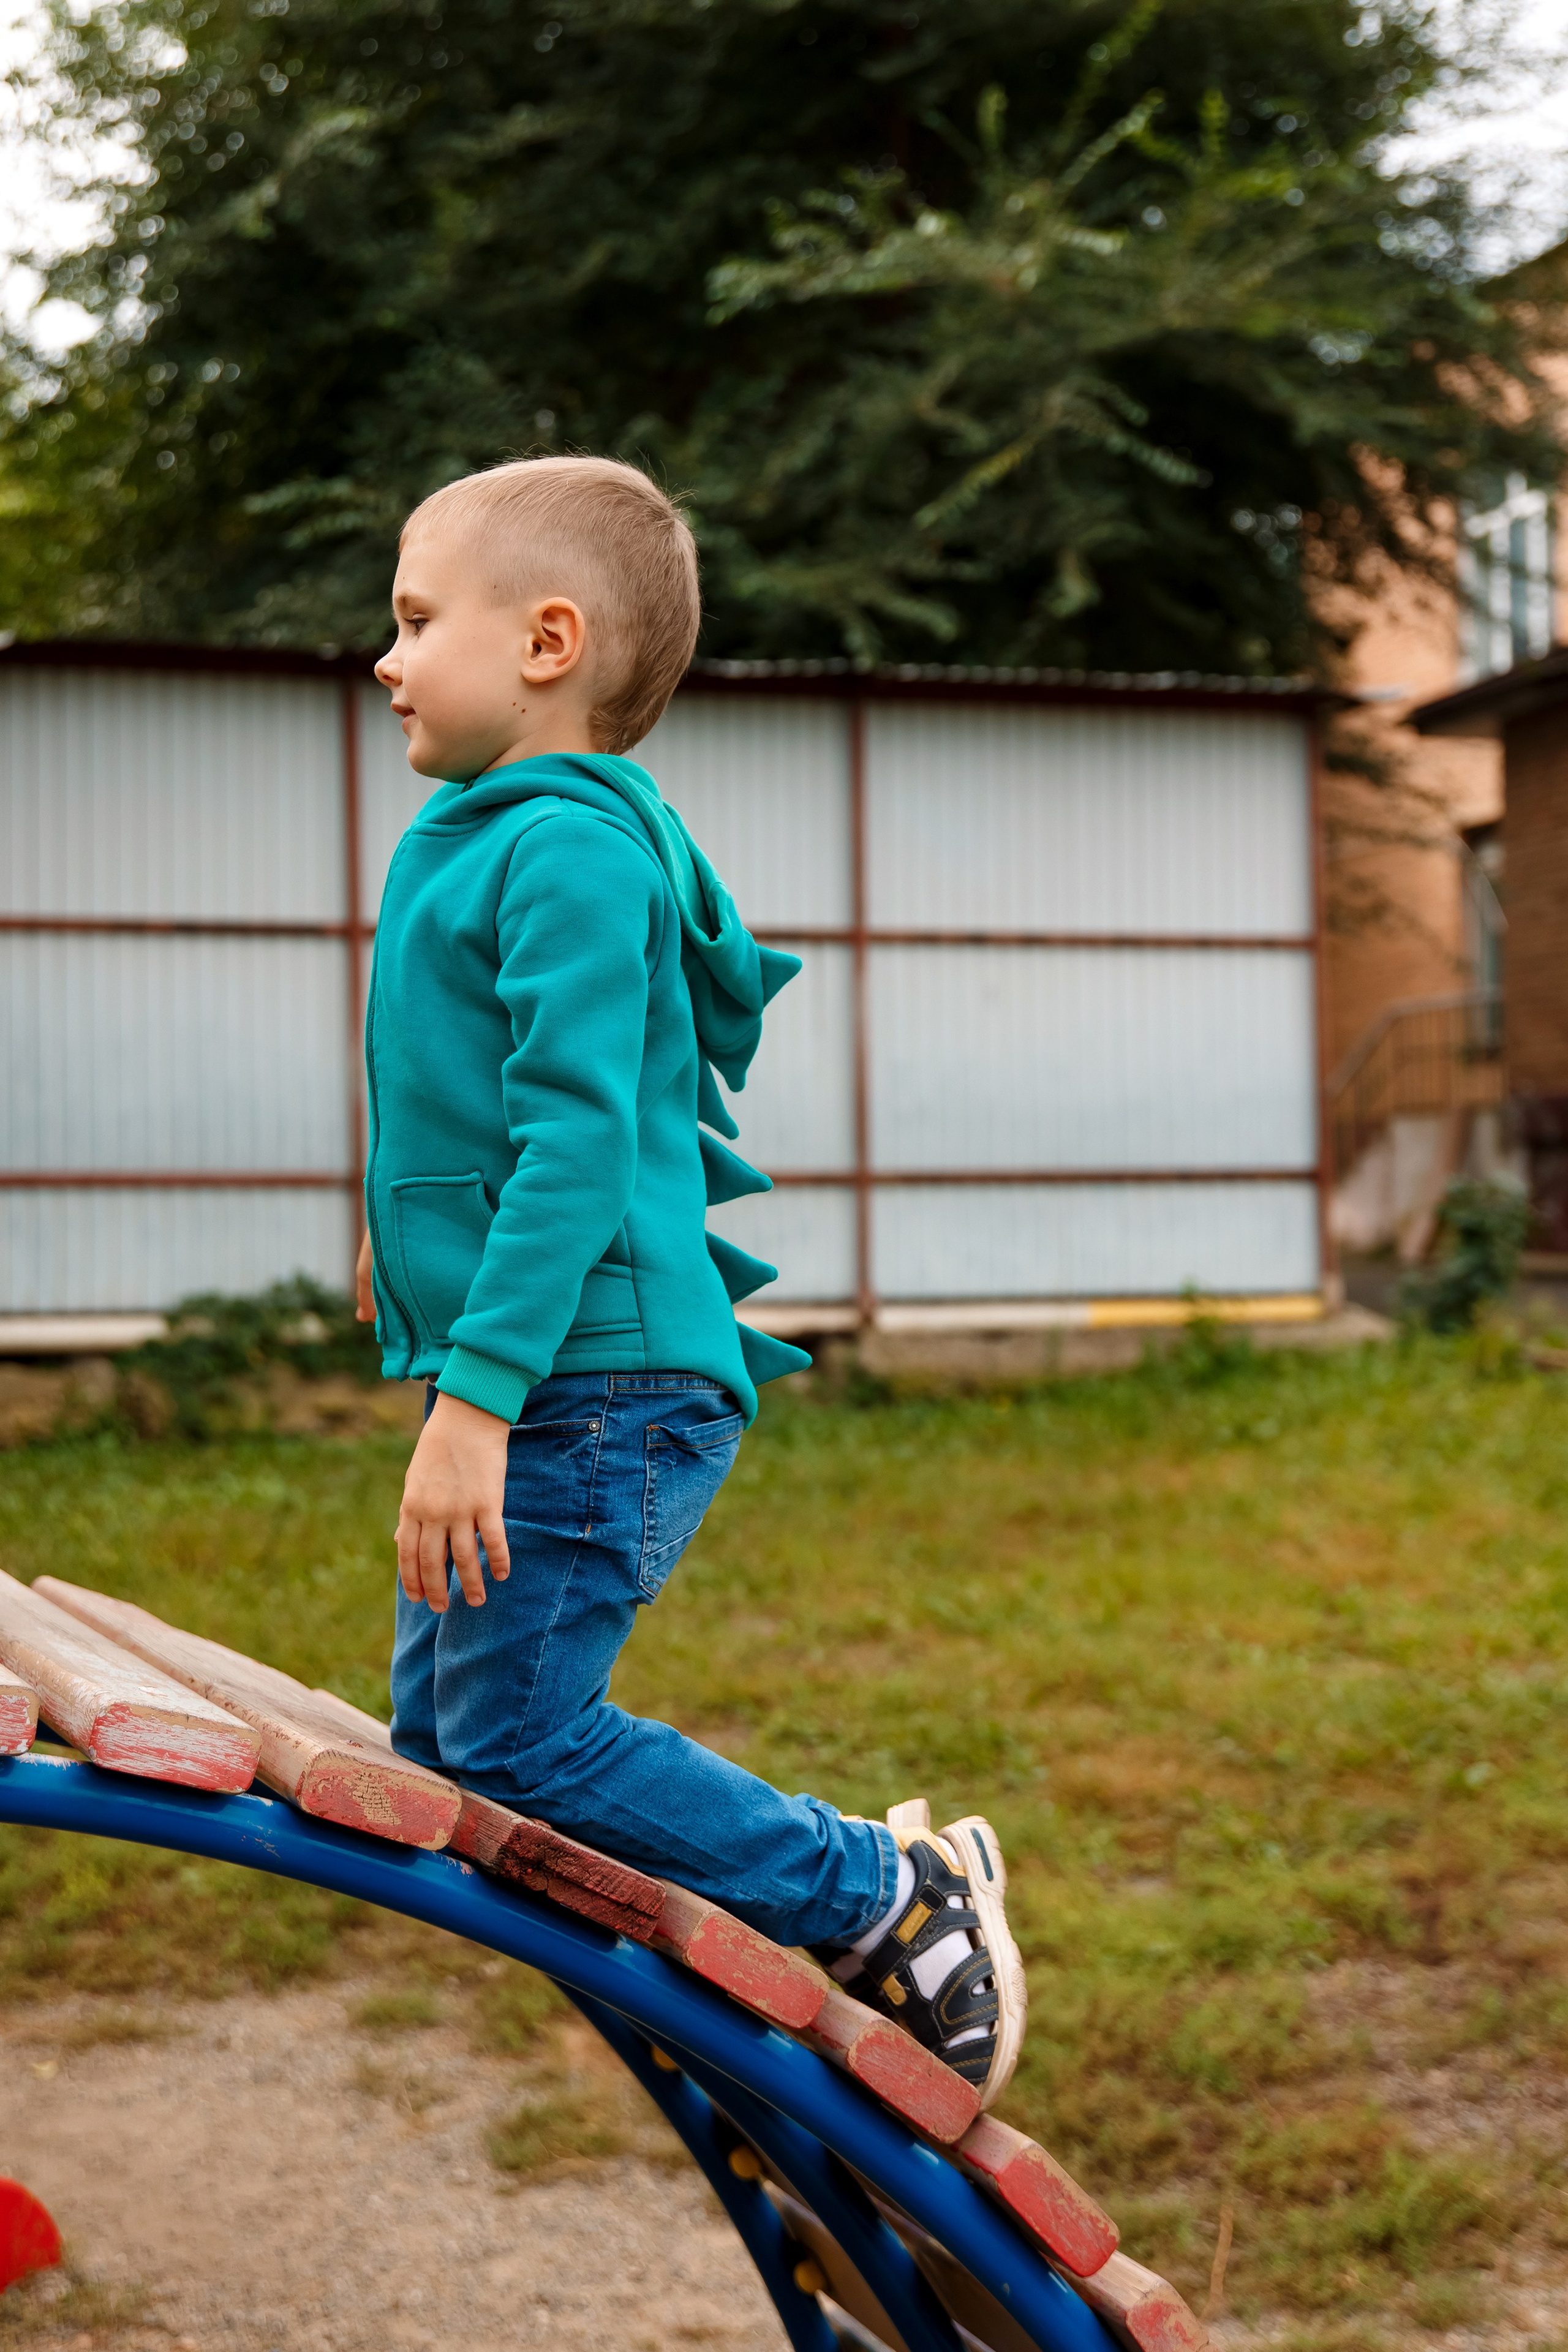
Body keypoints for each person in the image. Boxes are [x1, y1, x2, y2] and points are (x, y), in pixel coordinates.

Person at [355, 454, 1025, 2104]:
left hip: (592, 1387)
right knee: (443, 1744)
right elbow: (484, 1093)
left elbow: (579, 1147)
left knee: (512, 1738)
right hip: (556, 1369)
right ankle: (716, 1976)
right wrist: (409, 1225)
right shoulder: (480, 831)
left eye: (417, 619)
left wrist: (477, 1395)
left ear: (549, 641)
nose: (386, 658)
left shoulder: (571, 854)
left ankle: (882, 1895)